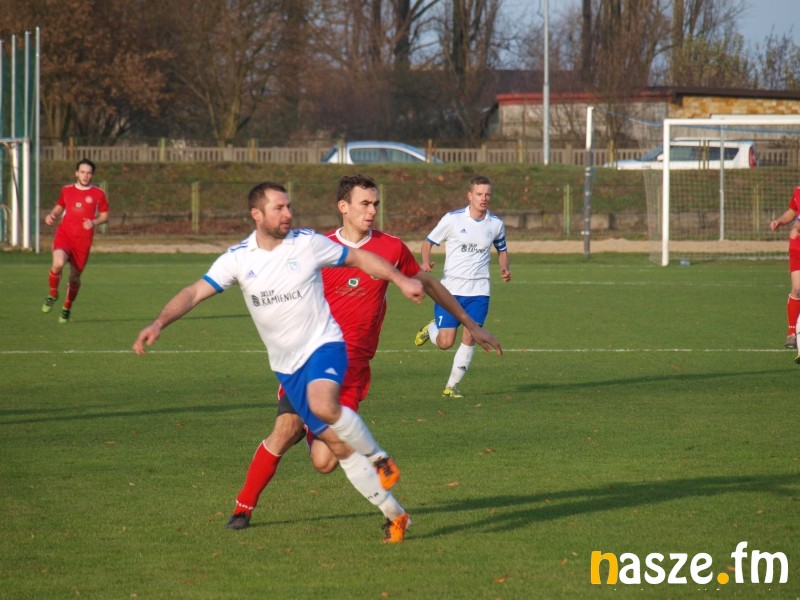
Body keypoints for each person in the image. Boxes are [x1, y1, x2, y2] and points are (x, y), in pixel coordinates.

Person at [132, 181, 427, 543]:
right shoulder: (239, 258)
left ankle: (380, 458)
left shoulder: (307, 243)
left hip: (325, 346)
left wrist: (400, 280)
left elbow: (360, 258)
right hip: (288, 367)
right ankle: (396, 515)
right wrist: (159, 323)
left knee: (323, 406)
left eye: (289, 206)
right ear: (257, 214)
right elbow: (194, 292)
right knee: (309, 441)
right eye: (279, 208)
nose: (288, 214)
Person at [226, 174, 503, 540]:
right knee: (284, 429)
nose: (372, 211)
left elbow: (431, 284)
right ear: (344, 207)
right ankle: (242, 509)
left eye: (375, 204)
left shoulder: (390, 247)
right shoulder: (317, 247)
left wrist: (470, 324)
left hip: (352, 367)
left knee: (324, 462)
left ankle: (325, 438)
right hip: (309, 358)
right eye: (365, 204)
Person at [414, 175, 511, 398]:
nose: (483, 198)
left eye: (487, 194)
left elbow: (502, 249)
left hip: (479, 292)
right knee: (445, 343)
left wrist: (504, 268)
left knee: (471, 337)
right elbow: (428, 243)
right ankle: (432, 328)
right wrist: (426, 262)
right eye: (479, 194)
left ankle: (451, 387)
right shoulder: (453, 219)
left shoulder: (496, 223)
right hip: (450, 291)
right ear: (470, 196)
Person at [41, 158, 109, 323]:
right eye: (82, 172)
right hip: (65, 234)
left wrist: (94, 222)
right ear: (76, 173)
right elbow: (60, 205)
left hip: (83, 241)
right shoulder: (67, 190)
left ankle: (67, 307)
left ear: (92, 175)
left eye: (89, 173)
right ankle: (53, 294)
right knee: (58, 263)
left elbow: (105, 216)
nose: (85, 175)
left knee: (74, 278)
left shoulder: (98, 193)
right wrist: (52, 214)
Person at [770, 186, 800, 349]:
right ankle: (791, 333)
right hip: (797, 246)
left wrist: (797, 227)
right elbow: (793, 211)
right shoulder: (797, 191)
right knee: (797, 289)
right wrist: (780, 222)